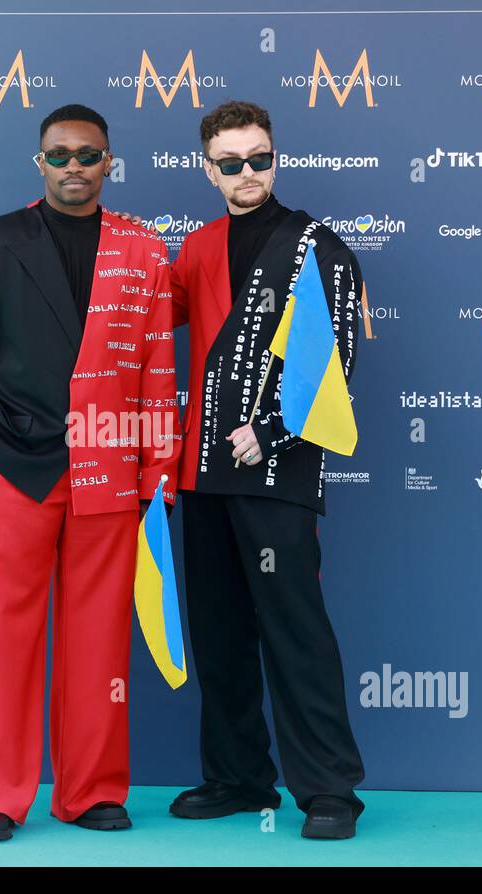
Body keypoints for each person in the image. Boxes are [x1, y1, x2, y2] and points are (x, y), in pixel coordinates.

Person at [0, 103, 181, 842]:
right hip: (13, 463)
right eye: (60, 154)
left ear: (111, 163)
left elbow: (156, 367)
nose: (74, 165)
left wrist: (154, 465)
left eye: (89, 154)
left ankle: (93, 791)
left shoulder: (142, 250)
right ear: (38, 163)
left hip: (110, 459)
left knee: (99, 636)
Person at [166, 99, 366, 839]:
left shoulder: (318, 247)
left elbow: (336, 359)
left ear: (275, 158)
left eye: (260, 158)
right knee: (218, 632)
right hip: (202, 472)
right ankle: (239, 777)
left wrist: (275, 431)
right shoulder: (196, 245)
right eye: (231, 162)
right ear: (208, 168)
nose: (248, 173)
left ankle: (331, 791)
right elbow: (148, 322)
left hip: (277, 473)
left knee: (295, 630)